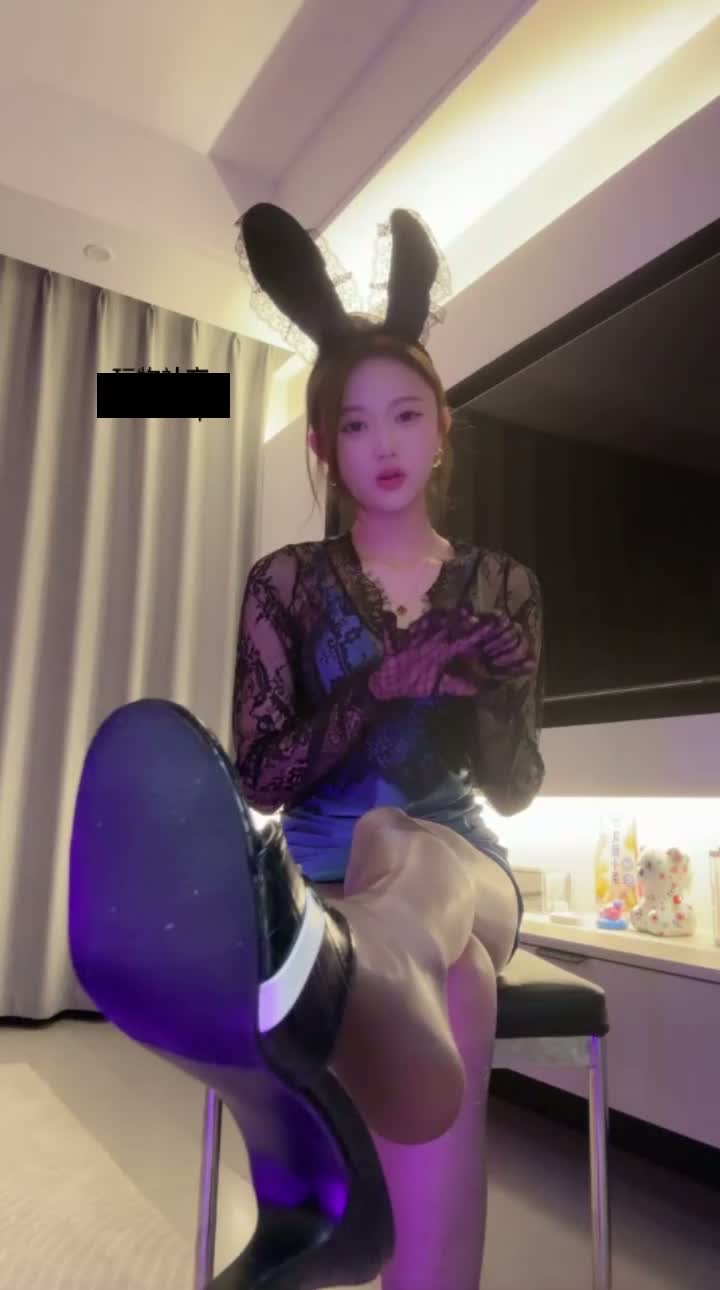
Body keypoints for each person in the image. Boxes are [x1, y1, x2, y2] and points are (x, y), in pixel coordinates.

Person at [67, 204, 544, 1290]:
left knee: (402, 839)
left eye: (406, 416)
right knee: (460, 991)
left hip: (469, 870)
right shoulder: (283, 583)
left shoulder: (505, 585)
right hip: (325, 872)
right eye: (357, 425)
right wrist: (384, 687)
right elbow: (263, 775)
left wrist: (503, 688)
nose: (385, 444)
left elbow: (515, 788)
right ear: (325, 446)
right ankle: (387, 1231)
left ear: (442, 426)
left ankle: (365, 971)